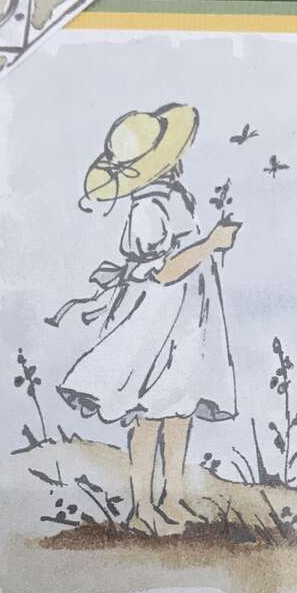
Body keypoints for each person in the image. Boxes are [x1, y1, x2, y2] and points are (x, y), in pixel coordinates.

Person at [49, 103, 241, 534]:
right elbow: (163, 272)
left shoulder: (174, 194)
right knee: (150, 410)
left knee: (180, 406)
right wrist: (211, 243)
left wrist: (209, 246)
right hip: (158, 318)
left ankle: (172, 497)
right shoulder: (148, 207)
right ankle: (142, 508)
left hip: (188, 316)